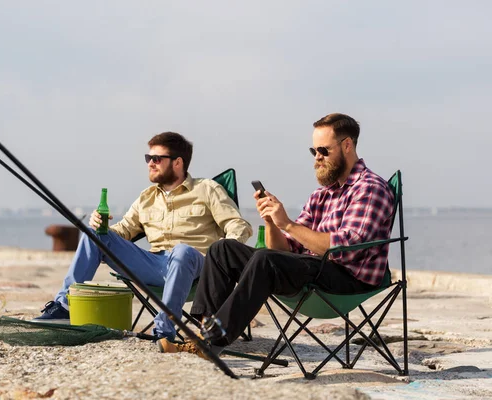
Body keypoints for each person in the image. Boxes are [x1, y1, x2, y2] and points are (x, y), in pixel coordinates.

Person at [158, 113, 395, 356]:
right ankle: (205, 330)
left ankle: (211, 342)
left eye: (323, 150)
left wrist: (289, 225)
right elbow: (284, 251)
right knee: (223, 249)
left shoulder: (370, 188)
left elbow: (346, 248)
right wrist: (272, 222)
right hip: (313, 270)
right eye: (313, 151)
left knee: (265, 260)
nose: (318, 158)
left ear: (347, 145)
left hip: (346, 279)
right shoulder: (321, 195)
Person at [33, 131, 252, 343]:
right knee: (94, 236)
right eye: (148, 157)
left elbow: (238, 225)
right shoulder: (146, 197)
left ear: (178, 162)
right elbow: (123, 231)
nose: (150, 163)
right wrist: (103, 227)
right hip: (155, 264)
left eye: (157, 158)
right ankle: (63, 306)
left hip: (197, 266)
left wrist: (224, 251)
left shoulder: (207, 189)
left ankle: (164, 330)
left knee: (182, 251)